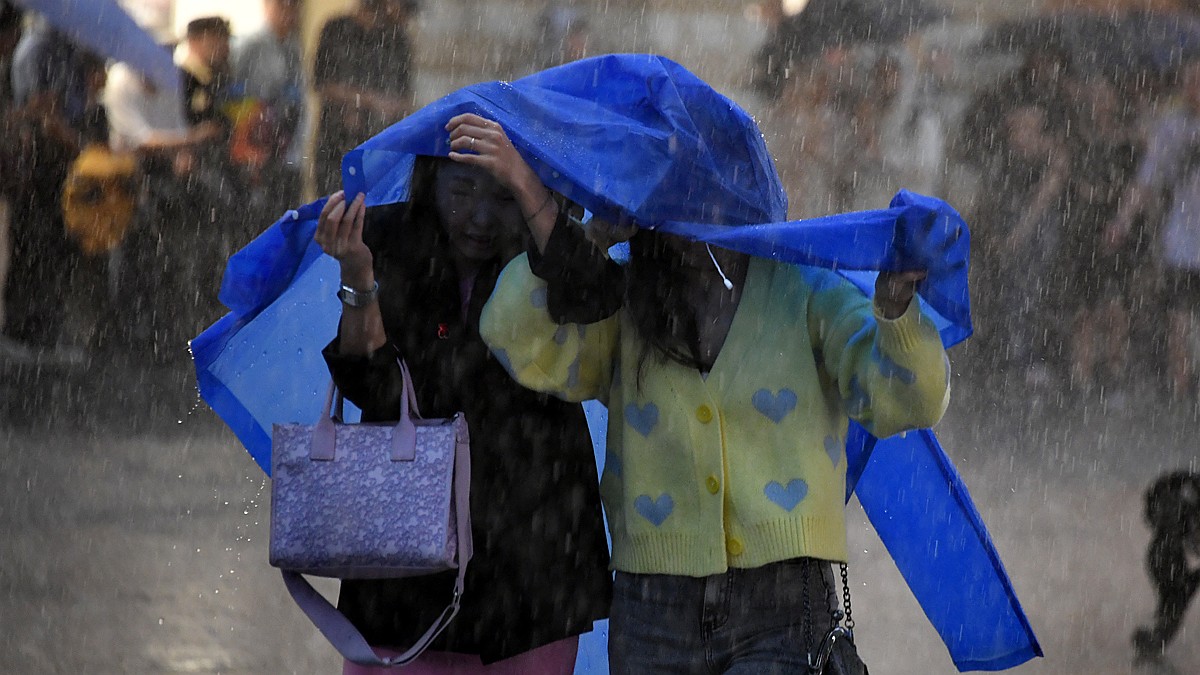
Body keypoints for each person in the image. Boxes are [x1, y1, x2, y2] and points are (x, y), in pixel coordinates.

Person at [474, 108, 951, 670]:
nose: (696, 206)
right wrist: (592, 239)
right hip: (652, 609)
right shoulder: (622, 299)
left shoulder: (809, 293)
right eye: (675, 189)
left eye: (712, 185)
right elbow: (513, 338)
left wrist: (896, 313)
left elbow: (909, 402)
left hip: (786, 607)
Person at [311, 119, 611, 672]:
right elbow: (370, 385)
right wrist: (357, 274)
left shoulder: (551, 249)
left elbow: (594, 294)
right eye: (462, 190)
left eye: (500, 196)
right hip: (405, 557)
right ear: (431, 181)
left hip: (533, 550)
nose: (478, 216)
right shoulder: (393, 242)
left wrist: (527, 184)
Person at [1105, 58, 1200, 402]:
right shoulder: (1172, 127)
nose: (1193, 89)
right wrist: (1122, 221)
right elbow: (1145, 180)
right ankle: (1181, 391)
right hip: (1183, 240)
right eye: (1190, 81)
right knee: (1178, 318)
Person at [314, 0, 417, 193]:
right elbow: (322, 84)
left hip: (380, 149)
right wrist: (366, 101)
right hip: (335, 144)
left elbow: (405, 98)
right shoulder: (336, 30)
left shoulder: (396, 38)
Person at [231, 0, 307, 217]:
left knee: (287, 211)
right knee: (257, 215)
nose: (288, 12)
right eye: (282, 6)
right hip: (257, 139)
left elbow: (297, 94)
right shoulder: (250, 45)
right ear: (267, 7)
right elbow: (235, 94)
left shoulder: (294, 45)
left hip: (287, 139)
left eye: (293, 6)